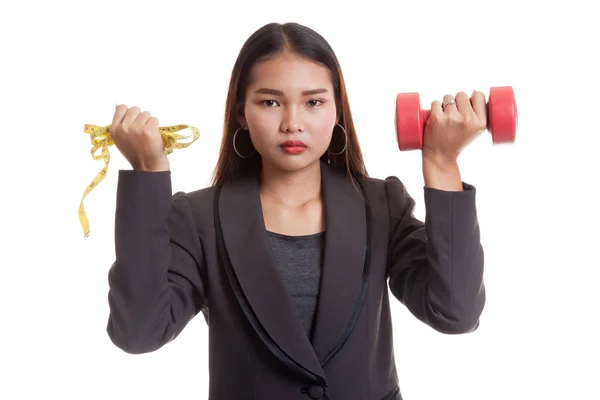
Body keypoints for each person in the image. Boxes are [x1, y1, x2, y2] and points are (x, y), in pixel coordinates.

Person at [106, 21, 486, 400]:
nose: (292, 123)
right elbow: (139, 333)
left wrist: (441, 162)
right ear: (241, 111)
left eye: (313, 102)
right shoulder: (200, 217)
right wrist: (148, 174)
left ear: (337, 110)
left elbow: (455, 313)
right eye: (270, 102)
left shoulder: (381, 204)